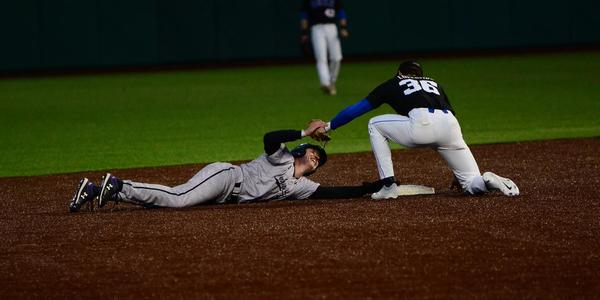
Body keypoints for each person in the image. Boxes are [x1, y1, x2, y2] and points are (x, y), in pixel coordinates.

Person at [68, 121, 384, 212]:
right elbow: (269, 136)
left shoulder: (302, 187)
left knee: (167, 203)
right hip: (225, 178)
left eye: (320, 160)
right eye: (315, 153)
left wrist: (367, 188)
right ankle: (121, 185)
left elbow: (330, 193)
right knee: (178, 198)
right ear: (302, 150)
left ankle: (97, 190)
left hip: (224, 197)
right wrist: (305, 132)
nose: (317, 158)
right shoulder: (283, 155)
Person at [313, 61, 520, 199]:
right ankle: (487, 180)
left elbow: (358, 109)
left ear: (400, 73)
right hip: (451, 127)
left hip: (422, 124)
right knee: (471, 184)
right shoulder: (434, 83)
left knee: (374, 124)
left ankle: (388, 187)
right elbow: (450, 115)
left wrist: (330, 125)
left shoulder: (395, 82)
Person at [300, 0, 349, 96]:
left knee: (337, 58)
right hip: (317, 29)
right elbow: (304, 16)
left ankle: (331, 82)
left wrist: (343, 28)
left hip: (331, 27)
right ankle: (325, 83)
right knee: (321, 58)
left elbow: (341, 12)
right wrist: (304, 33)